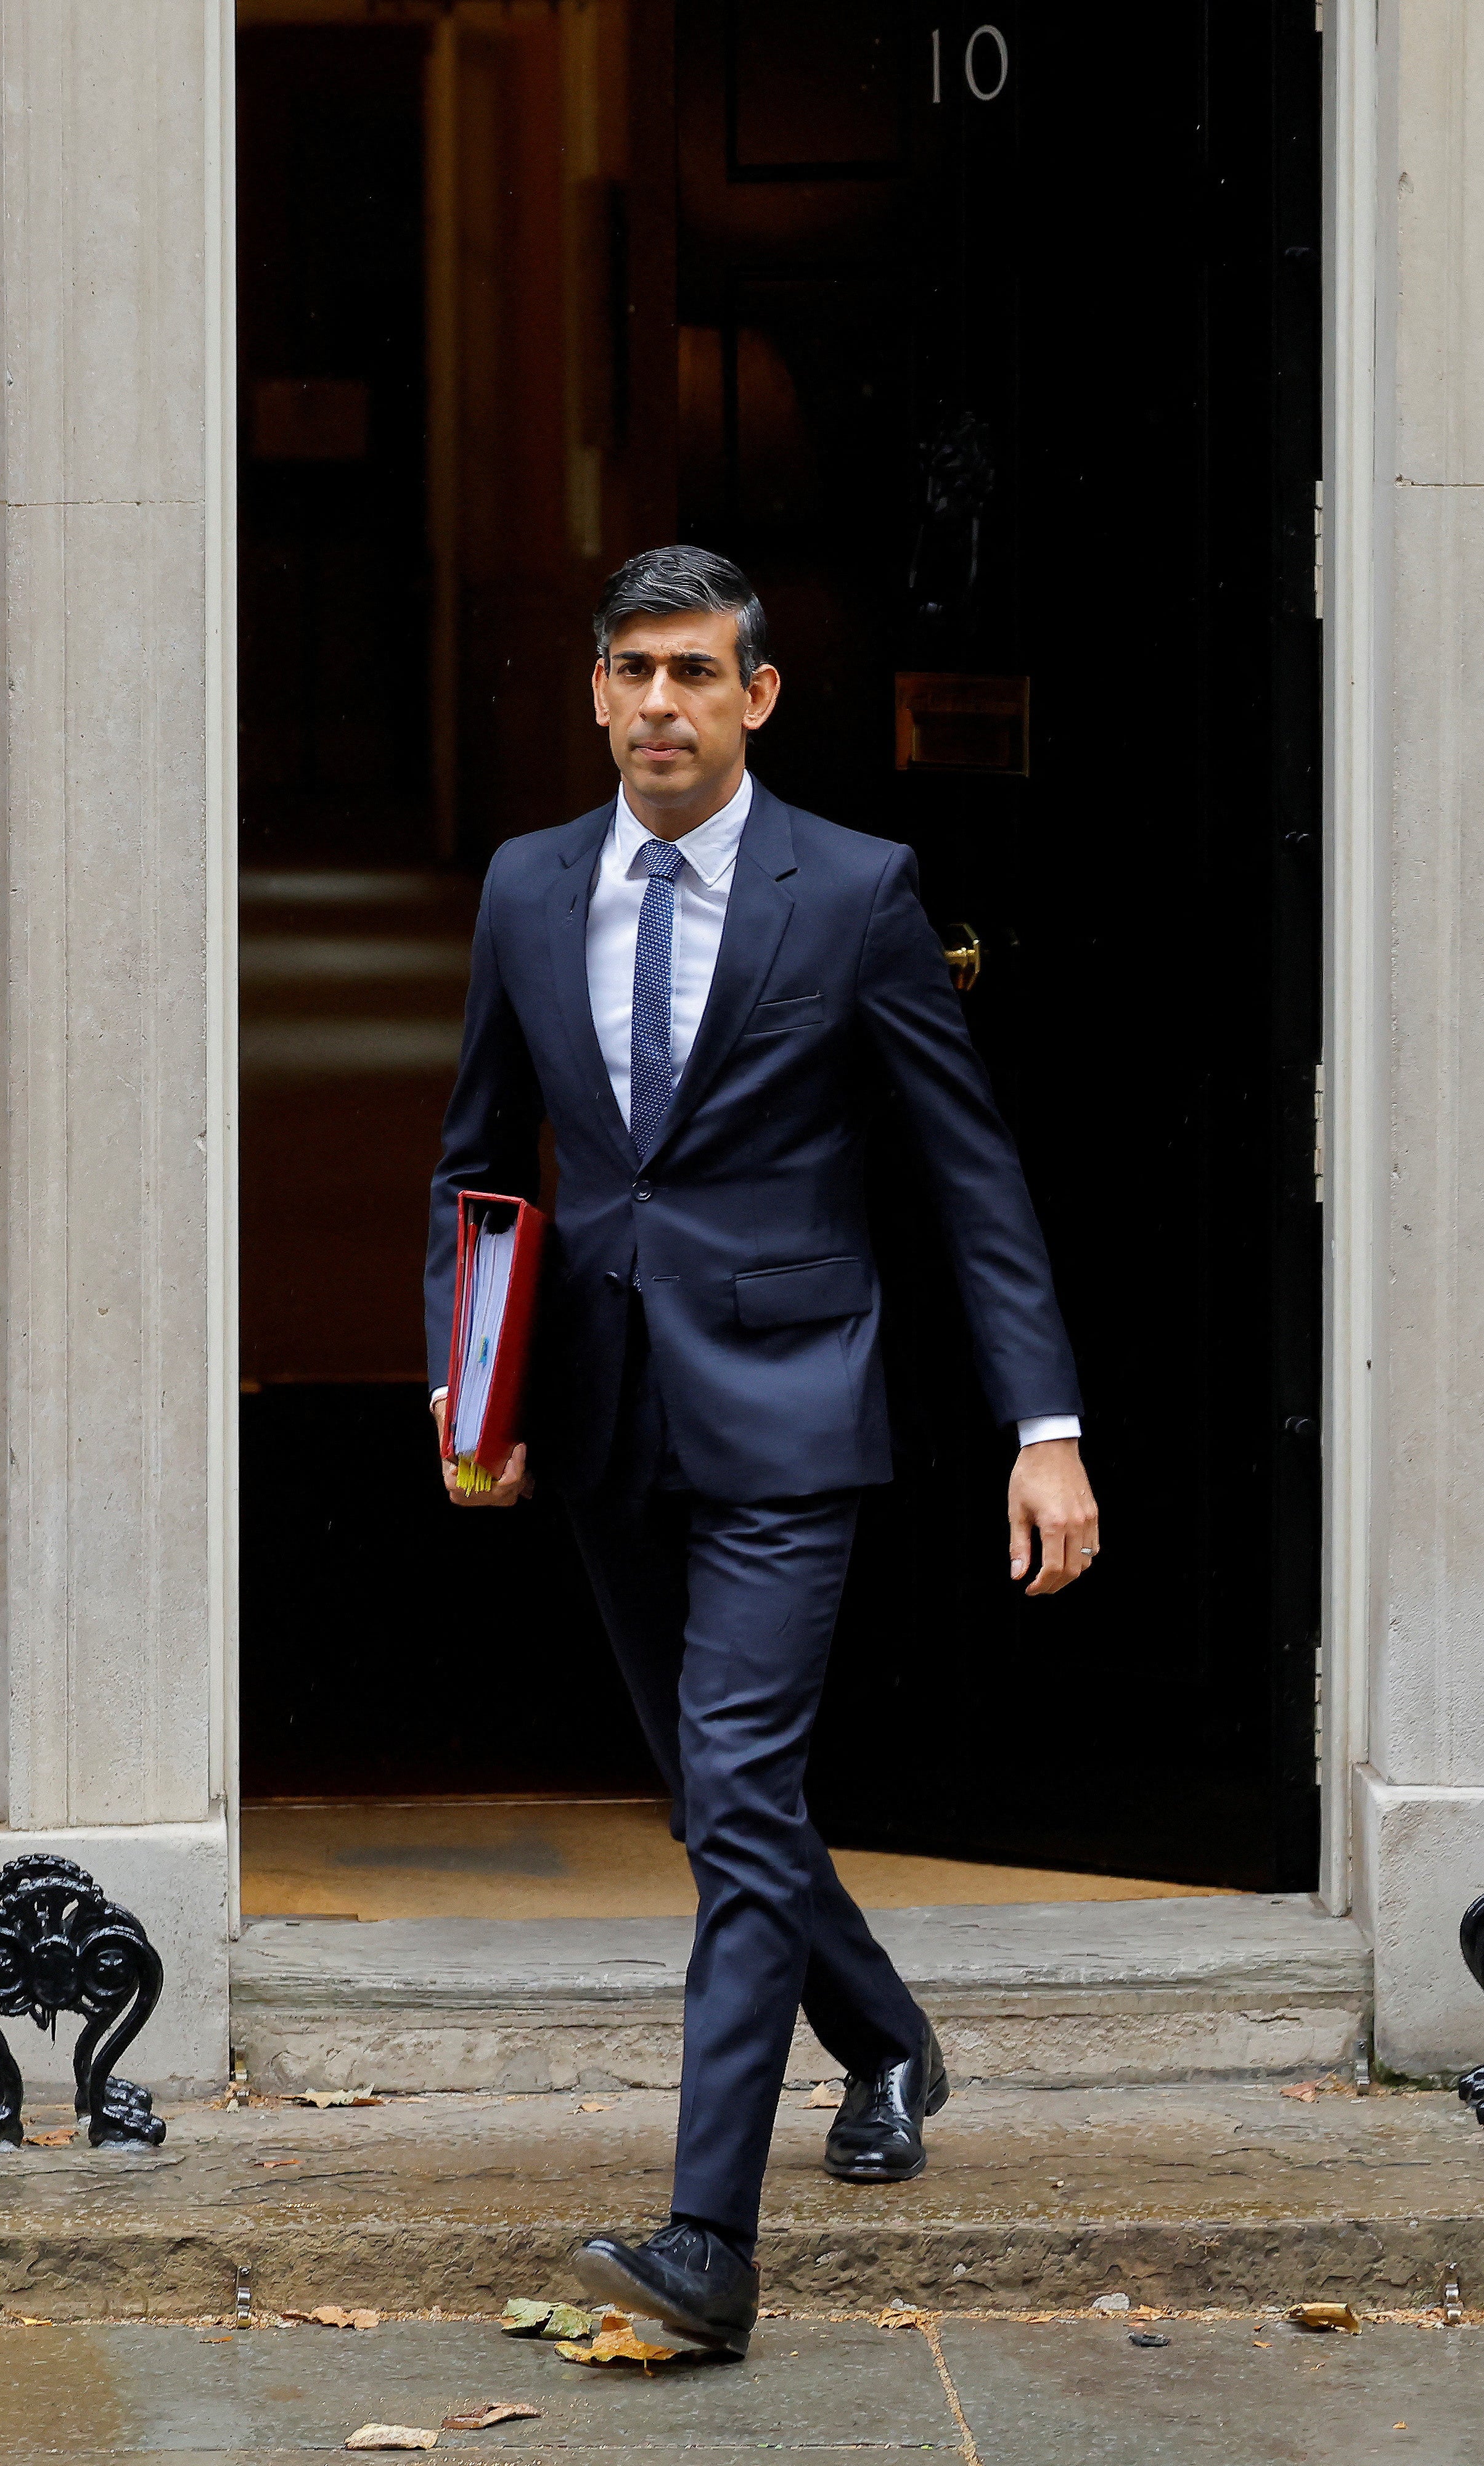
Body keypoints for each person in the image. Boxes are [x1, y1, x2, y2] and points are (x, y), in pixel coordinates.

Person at [422, 544, 1099, 2358]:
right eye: (633, 670)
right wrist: (462, 1378)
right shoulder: (526, 887)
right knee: (725, 1802)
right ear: (595, 691)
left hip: (798, 1407)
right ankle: (884, 2039)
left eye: (695, 674)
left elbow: (973, 1177)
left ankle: (704, 2247)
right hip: (600, 1414)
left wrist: (1049, 1427)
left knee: (732, 1801)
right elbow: (483, 1161)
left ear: (757, 697)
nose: (660, 704)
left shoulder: (856, 892)